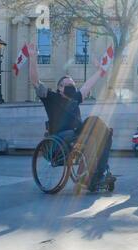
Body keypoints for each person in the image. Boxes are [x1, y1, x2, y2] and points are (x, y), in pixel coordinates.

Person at [28, 43, 116, 192]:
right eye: (67, 84)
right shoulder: (51, 97)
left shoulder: (75, 97)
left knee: (106, 133)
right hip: (61, 136)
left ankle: (99, 173)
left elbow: (87, 86)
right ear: (60, 88)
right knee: (92, 124)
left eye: (72, 84)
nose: (71, 86)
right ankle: (93, 175)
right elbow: (35, 81)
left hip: (77, 132)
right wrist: (32, 58)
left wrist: (100, 71)